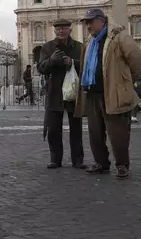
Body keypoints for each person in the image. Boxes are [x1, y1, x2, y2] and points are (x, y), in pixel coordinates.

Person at [75, 8, 141, 180]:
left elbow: (136, 62)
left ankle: (122, 165)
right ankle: (101, 162)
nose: (88, 25)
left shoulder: (120, 37)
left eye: (91, 21)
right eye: (86, 22)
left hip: (113, 93)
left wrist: (124, 81)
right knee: (95, 132)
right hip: (92, 92)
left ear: (102, 20)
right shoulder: (89, 41)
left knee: (118, 133)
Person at [37, 19, 84, 169]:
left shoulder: (79, 47)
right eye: (58, 29)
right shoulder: (47, 47)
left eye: (64, 28)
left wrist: (72, 62)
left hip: (73, 91)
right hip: (54, 92)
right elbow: (41, 68)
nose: (61, 31)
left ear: (70, 30)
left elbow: (85, 65)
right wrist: (51, 60)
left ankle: (78, 160)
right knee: (53, 129)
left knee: (76, 128)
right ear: (55, 31)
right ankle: (55, 159)